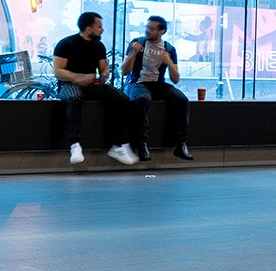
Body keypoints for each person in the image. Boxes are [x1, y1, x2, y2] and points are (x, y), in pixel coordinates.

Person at [52, 12, 138, 166]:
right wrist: (79, 77)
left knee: (122, 99)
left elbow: (103, 68)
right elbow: (58, 72)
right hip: (68, 85)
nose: (102, 30)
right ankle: (75, 145)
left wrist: (105, 74)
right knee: (74, 97)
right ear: (88, 28)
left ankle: (119, 145)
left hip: (92, 85)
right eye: (99, 26)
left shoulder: (98, 46)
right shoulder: (66, 44)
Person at [123, 15, 193, 162]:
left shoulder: (169, 48)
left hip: (158, 84)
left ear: (161, 31)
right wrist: (133, 53)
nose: (147, 31)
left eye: (151, 28)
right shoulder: (137, 43)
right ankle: (142, 144)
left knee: (181, 99)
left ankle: (181, 144)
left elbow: (175, 79)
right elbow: (124, 71)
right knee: (142, 99)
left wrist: (169, 63)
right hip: (137, 83)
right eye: (147, 27)